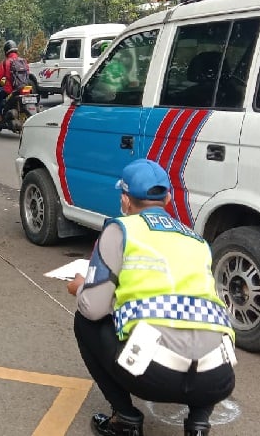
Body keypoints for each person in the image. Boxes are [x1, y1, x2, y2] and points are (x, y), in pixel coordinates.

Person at [67, 159, 236, 436]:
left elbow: (94, 309)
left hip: (154, 375)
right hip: (218, 377)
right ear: (168, 198)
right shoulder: (197, 241)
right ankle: (198, 424)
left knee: (84, 322)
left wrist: (81, 287)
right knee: (205, 329)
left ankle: (125, 419)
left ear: (124, 200)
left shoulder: (120, 230)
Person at [0, 40, 26, 124]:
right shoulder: (23, 61)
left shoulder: (6, 62)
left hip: (9, 90)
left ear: (6, 51)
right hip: (23, 88)